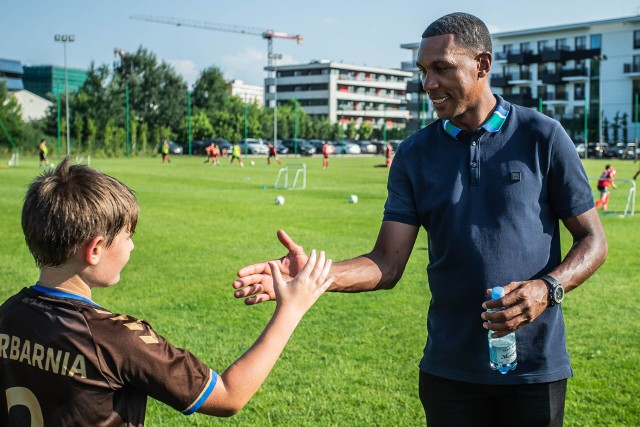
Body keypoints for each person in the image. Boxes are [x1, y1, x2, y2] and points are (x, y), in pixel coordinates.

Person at [232, 12, 607, 427]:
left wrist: (547, 288)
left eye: (442, 69)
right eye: (424, 71)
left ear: (483, 65)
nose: (428, 84)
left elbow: (593, 241)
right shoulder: (414, 154)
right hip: (449, 372)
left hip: (534, 369)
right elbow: (387, 263)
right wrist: (317, 277)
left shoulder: (543, 137)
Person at [0, 158, 334, 425]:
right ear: (96, 249)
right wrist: (291, 309)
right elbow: (229, 396)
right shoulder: (117, 339)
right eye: (128, 236)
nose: (132, 246)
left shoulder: (8, 314)